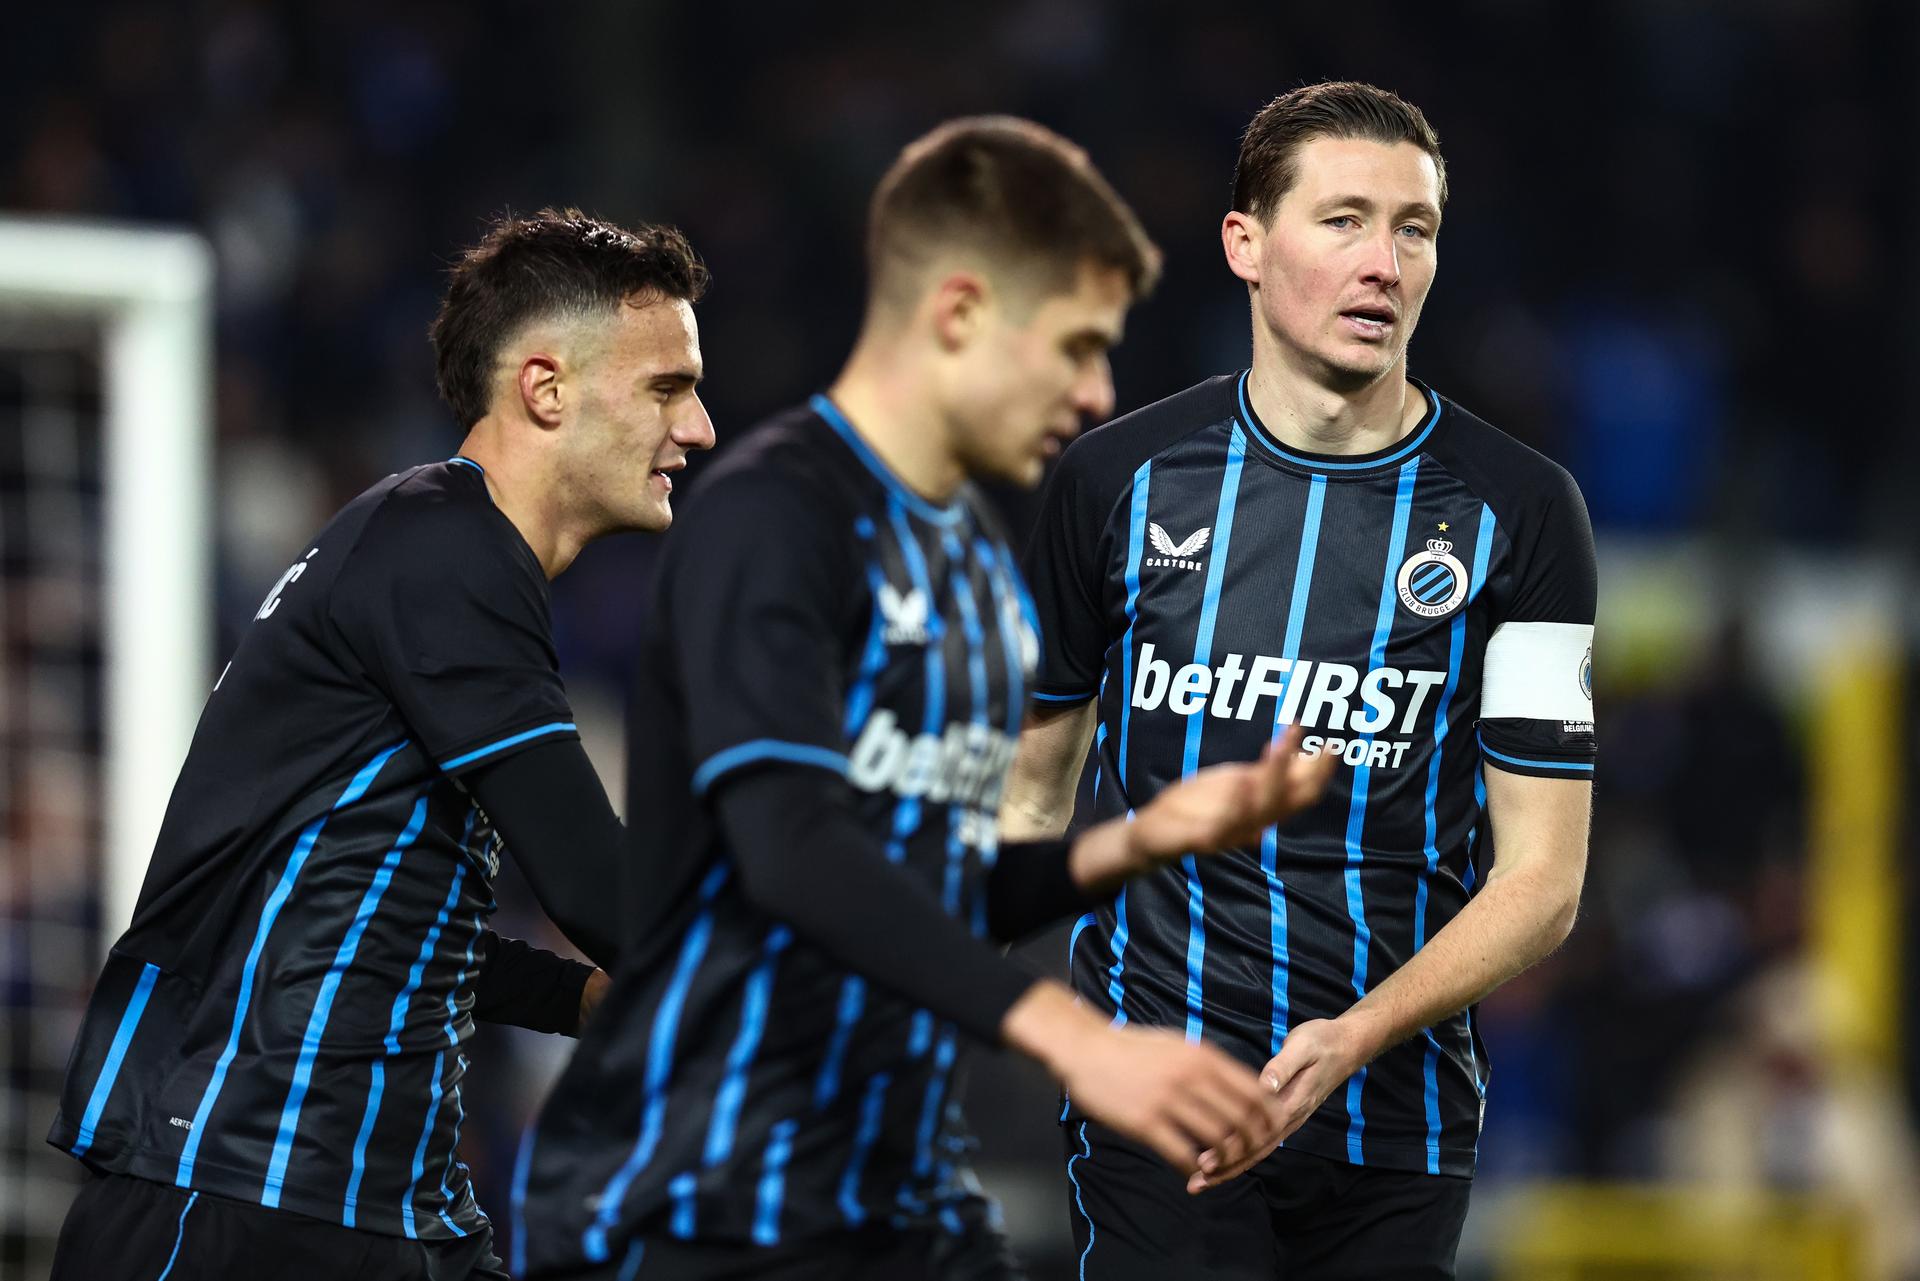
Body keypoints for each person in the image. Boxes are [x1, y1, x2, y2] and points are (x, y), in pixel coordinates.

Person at [511, 117, 1337, 1281]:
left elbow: (927, 893)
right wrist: (1071, 1037)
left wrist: (1145, 839)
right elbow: (788, 855)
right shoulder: (774, 516)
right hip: (701, 1196)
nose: (1098, 392)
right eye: (1075, 346)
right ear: (959, 315)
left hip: (886, 1185)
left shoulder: (972, 568)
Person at [47, 208, 715, 1281]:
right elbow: (599, 886)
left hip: (368, 1209)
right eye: (667, 389)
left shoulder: (426, 549)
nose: (700, 431)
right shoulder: (444, 554)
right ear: (545, 388)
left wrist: (577, 1001)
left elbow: (378, 916)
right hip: (240, 1196)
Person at [1000, 81, 1597, 1279]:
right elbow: (1025, 801)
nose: (1383, 262)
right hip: (1159, 1114)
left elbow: (1546, 878)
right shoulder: (1114, 484)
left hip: (1401, 1126)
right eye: (1342, 221)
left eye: (1413, 228)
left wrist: (1354, 1036)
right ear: (1245, 244)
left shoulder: (1523, 513)